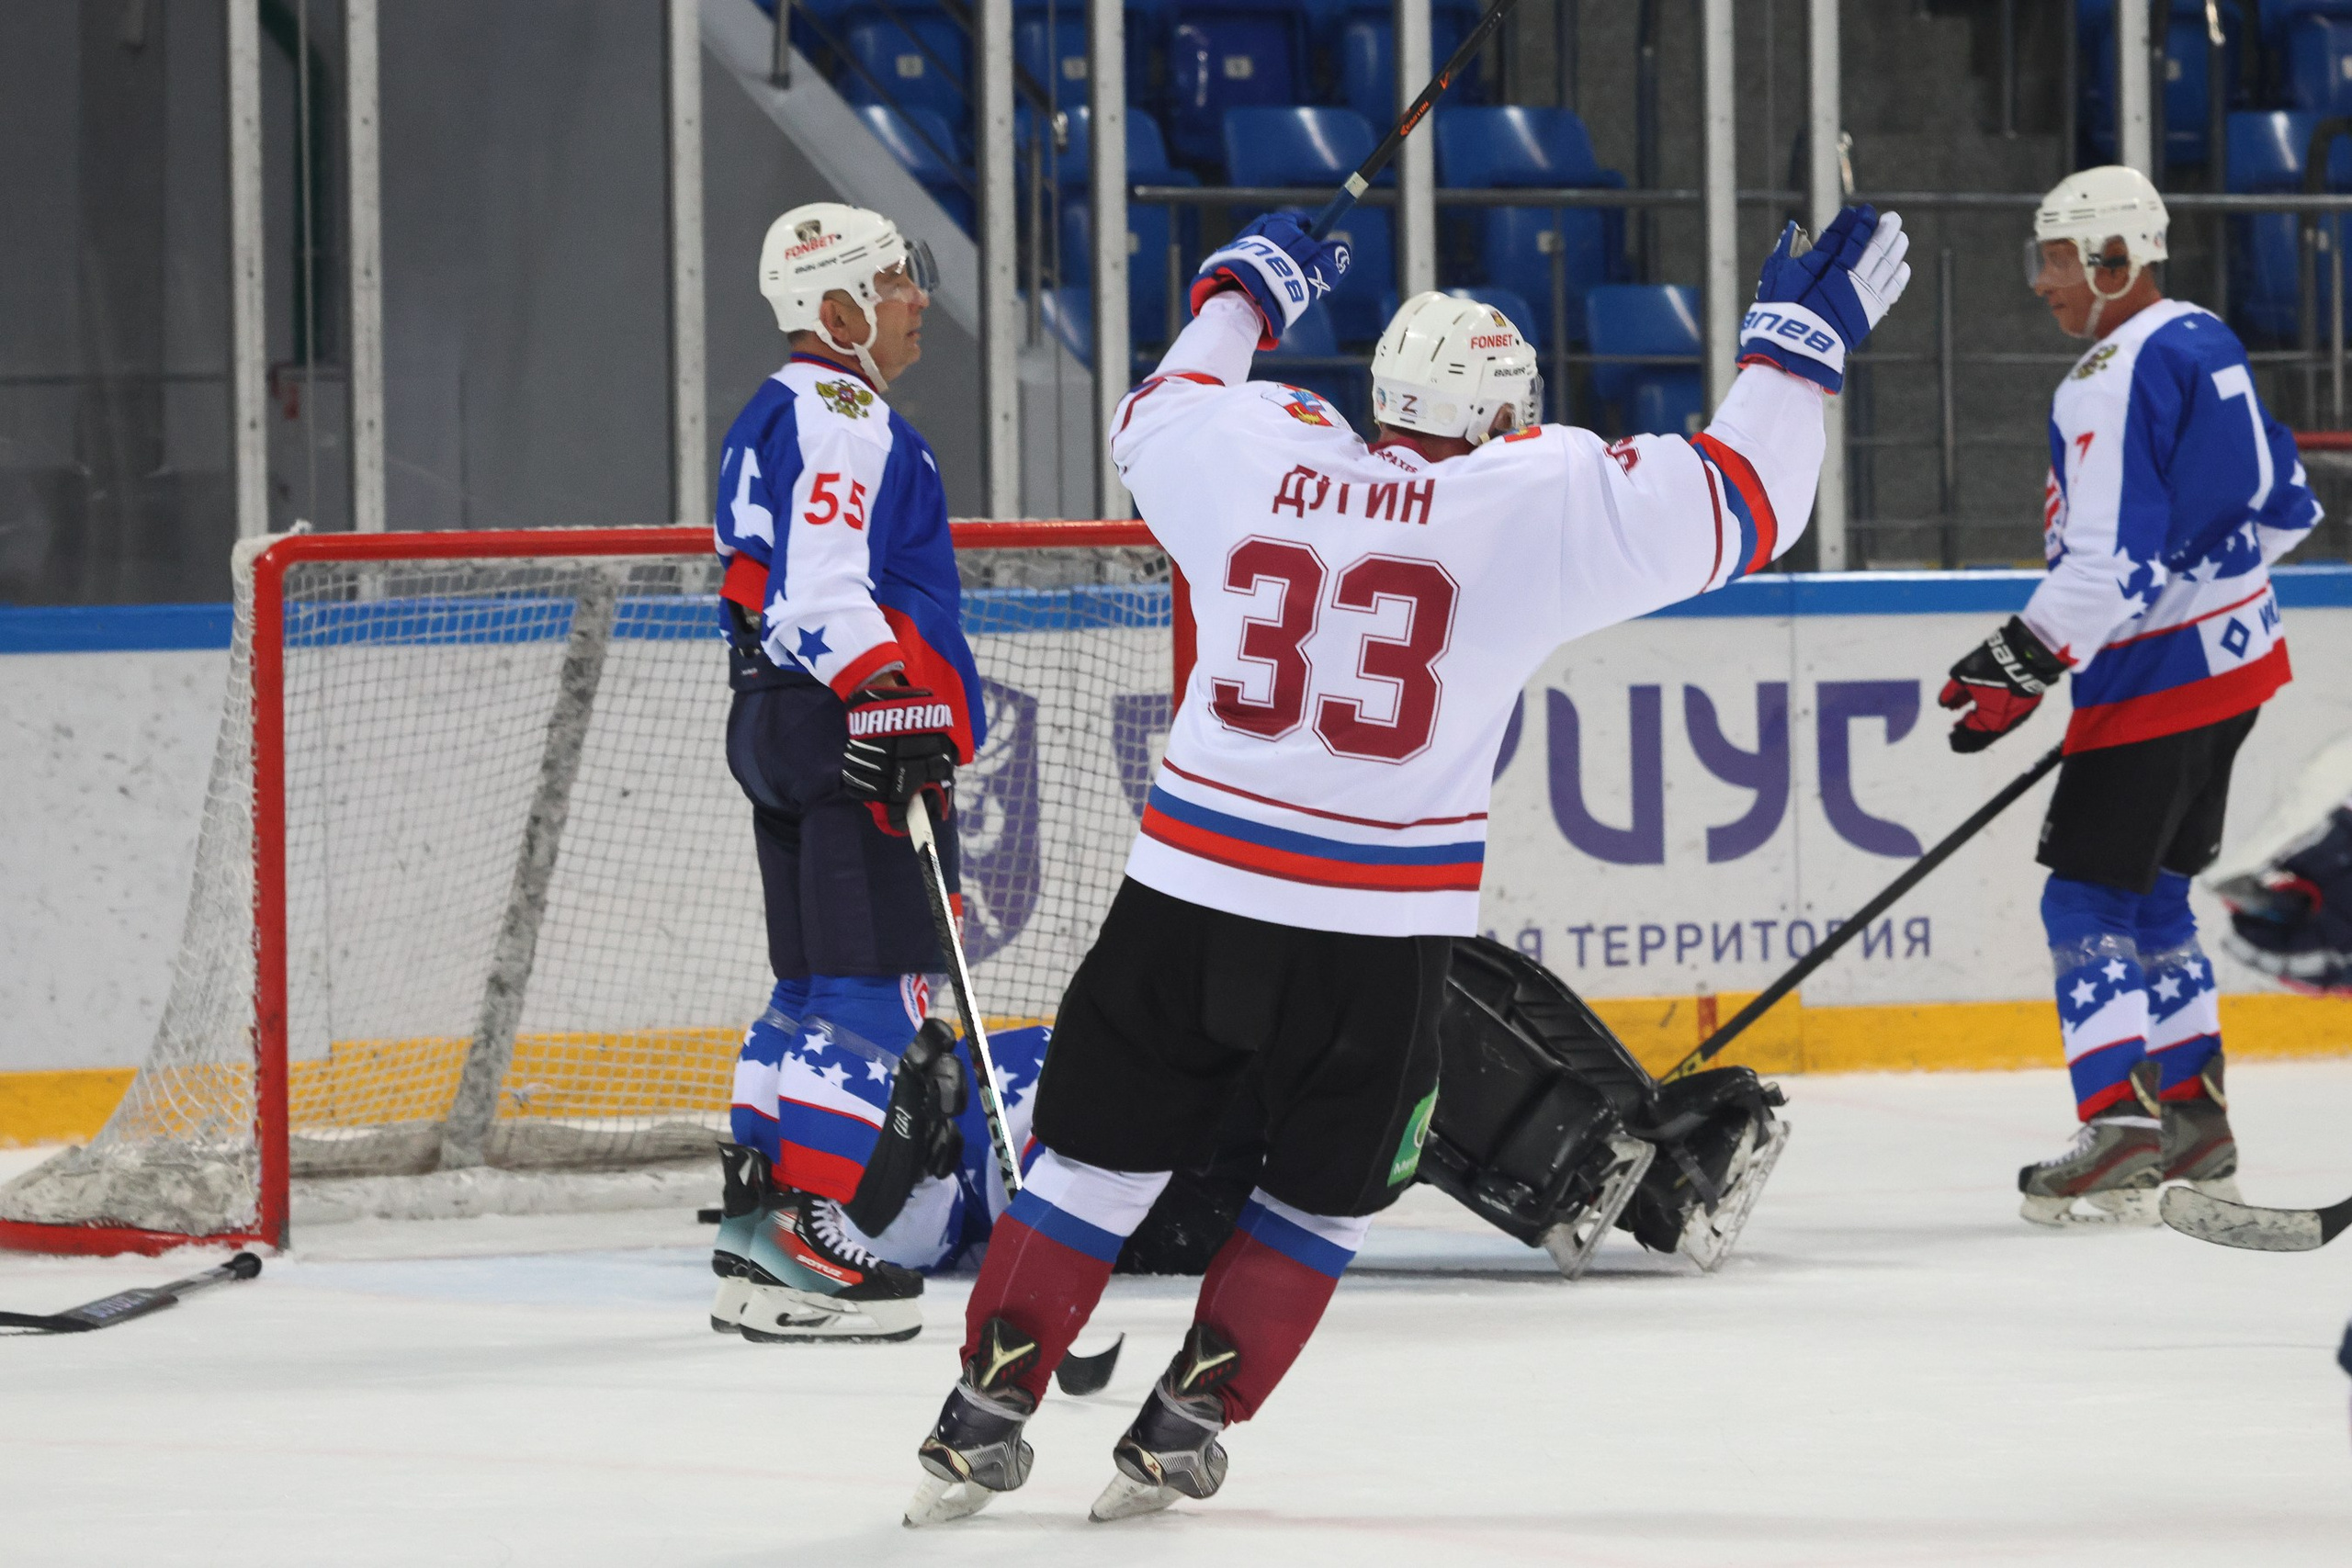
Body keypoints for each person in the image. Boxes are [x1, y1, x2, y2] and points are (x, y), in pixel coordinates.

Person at [903, 201, 1911, 1524]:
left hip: (1186, 896)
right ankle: (1189, 1413)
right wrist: (1800, 343)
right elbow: (1747, 500)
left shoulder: (1256, 449)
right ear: (1506, 411)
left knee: (1090, 1160)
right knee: (1325, 1187)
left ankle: (982, 1403)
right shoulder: (1528, 501)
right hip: (1368, 932)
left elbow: (1154, 409)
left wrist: (1245, 291)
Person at [1935, 167, 2322, 1226]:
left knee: (2084, 898)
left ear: (2114, 259)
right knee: (2152, 895)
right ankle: (2194, 1123)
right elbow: (2288, 506)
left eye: (2057, 259)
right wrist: (2197, 597)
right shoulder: (2208, 339)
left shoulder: (2106, 376)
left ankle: (2118, 1125)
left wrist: (2018, 661)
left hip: (2155, 677)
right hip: (2237, 664)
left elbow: (2105, 565)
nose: (2041, 283)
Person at [705, 200, 992, 1341]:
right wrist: (888, 698)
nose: (917, 298)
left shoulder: (773, 412)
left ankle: (755, 1226)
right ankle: (815, 1239)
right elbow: (822, 587)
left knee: (811, 988)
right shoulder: (841, 413)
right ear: (834, 311)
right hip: (846, 722)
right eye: (891, 283)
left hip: (779, 716)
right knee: (875, 990)